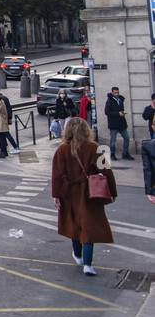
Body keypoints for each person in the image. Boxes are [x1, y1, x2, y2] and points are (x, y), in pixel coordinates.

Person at [51, 117, 116, 276]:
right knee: (90, 226)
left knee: (74, 223)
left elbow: (57, 175)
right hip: (90, 193)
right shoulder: (96, 147)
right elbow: (107, 171)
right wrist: (112, 192)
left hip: (69, 192)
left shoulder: (62, 150)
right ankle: (88, 264)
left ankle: (78, 255)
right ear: (86, 130)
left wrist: (56, 195)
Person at [104, 86, 133, 161]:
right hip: (113, 124)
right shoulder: (109, 101)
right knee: (113, 141)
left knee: (126, 138)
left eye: (117, 92)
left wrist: (122, 113)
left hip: (122, 123)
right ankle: (112, 154)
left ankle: (125, 153)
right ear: (112, 93)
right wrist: (118, 113)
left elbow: (121, 110)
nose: (116, 94)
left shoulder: (120, 99)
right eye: (115, 93)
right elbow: (107, 112)